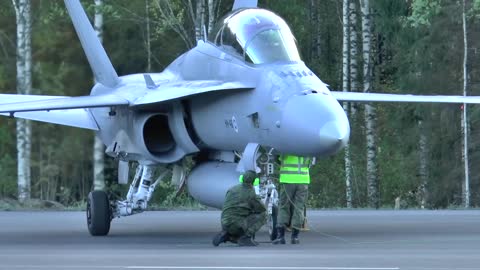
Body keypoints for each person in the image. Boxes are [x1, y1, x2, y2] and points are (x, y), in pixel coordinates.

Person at [212, 170, 267, 246]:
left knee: (237, 217)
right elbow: (261, 209)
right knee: (263, 215)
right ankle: (245, 238)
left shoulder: (232, 189)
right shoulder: (251, 193)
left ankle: (227, 234)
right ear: (253, 181)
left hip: (224, 223)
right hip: (237, 225)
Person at [272, 155, 311, 245]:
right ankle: (295, 237)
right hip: (303, 180)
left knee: (284, 206)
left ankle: (281, 236)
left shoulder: (287, 147)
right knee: (299, 208)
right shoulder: (307, 148)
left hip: (288, 180)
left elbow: (277, 158)